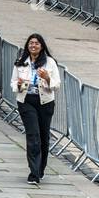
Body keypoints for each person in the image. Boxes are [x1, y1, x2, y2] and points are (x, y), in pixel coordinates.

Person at [12, 33, 60, 185]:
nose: (33, 46)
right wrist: (19, 84)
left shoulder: (50, 62)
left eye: (37, 43)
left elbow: (56, 85)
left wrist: (46, 77)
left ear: (42, 46)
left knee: (43, 137)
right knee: (33, 136)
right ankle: (33, 172)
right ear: (27, 45)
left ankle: (40, 168)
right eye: (31, 43)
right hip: (26, 101)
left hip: (45, 102)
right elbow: (13, 84)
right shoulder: (21, 62)